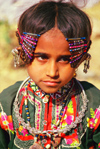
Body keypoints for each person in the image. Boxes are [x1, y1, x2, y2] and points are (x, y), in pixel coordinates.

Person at [0, 0, 100, 149]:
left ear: (81, 59)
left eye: (65, 59)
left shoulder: (94, 105)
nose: (52, 72)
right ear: (23, 54)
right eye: (42, 57)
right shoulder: (8, 104)